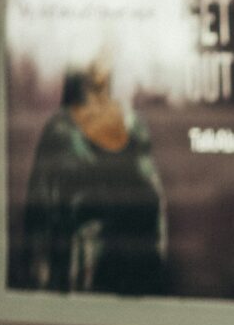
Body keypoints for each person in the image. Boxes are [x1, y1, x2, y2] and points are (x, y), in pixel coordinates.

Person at [14, 61, 168, 296]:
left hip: (131, 283)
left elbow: (154, 205)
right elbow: (39, 219)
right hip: (77, 283)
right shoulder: (60, 131)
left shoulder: (135, 127)